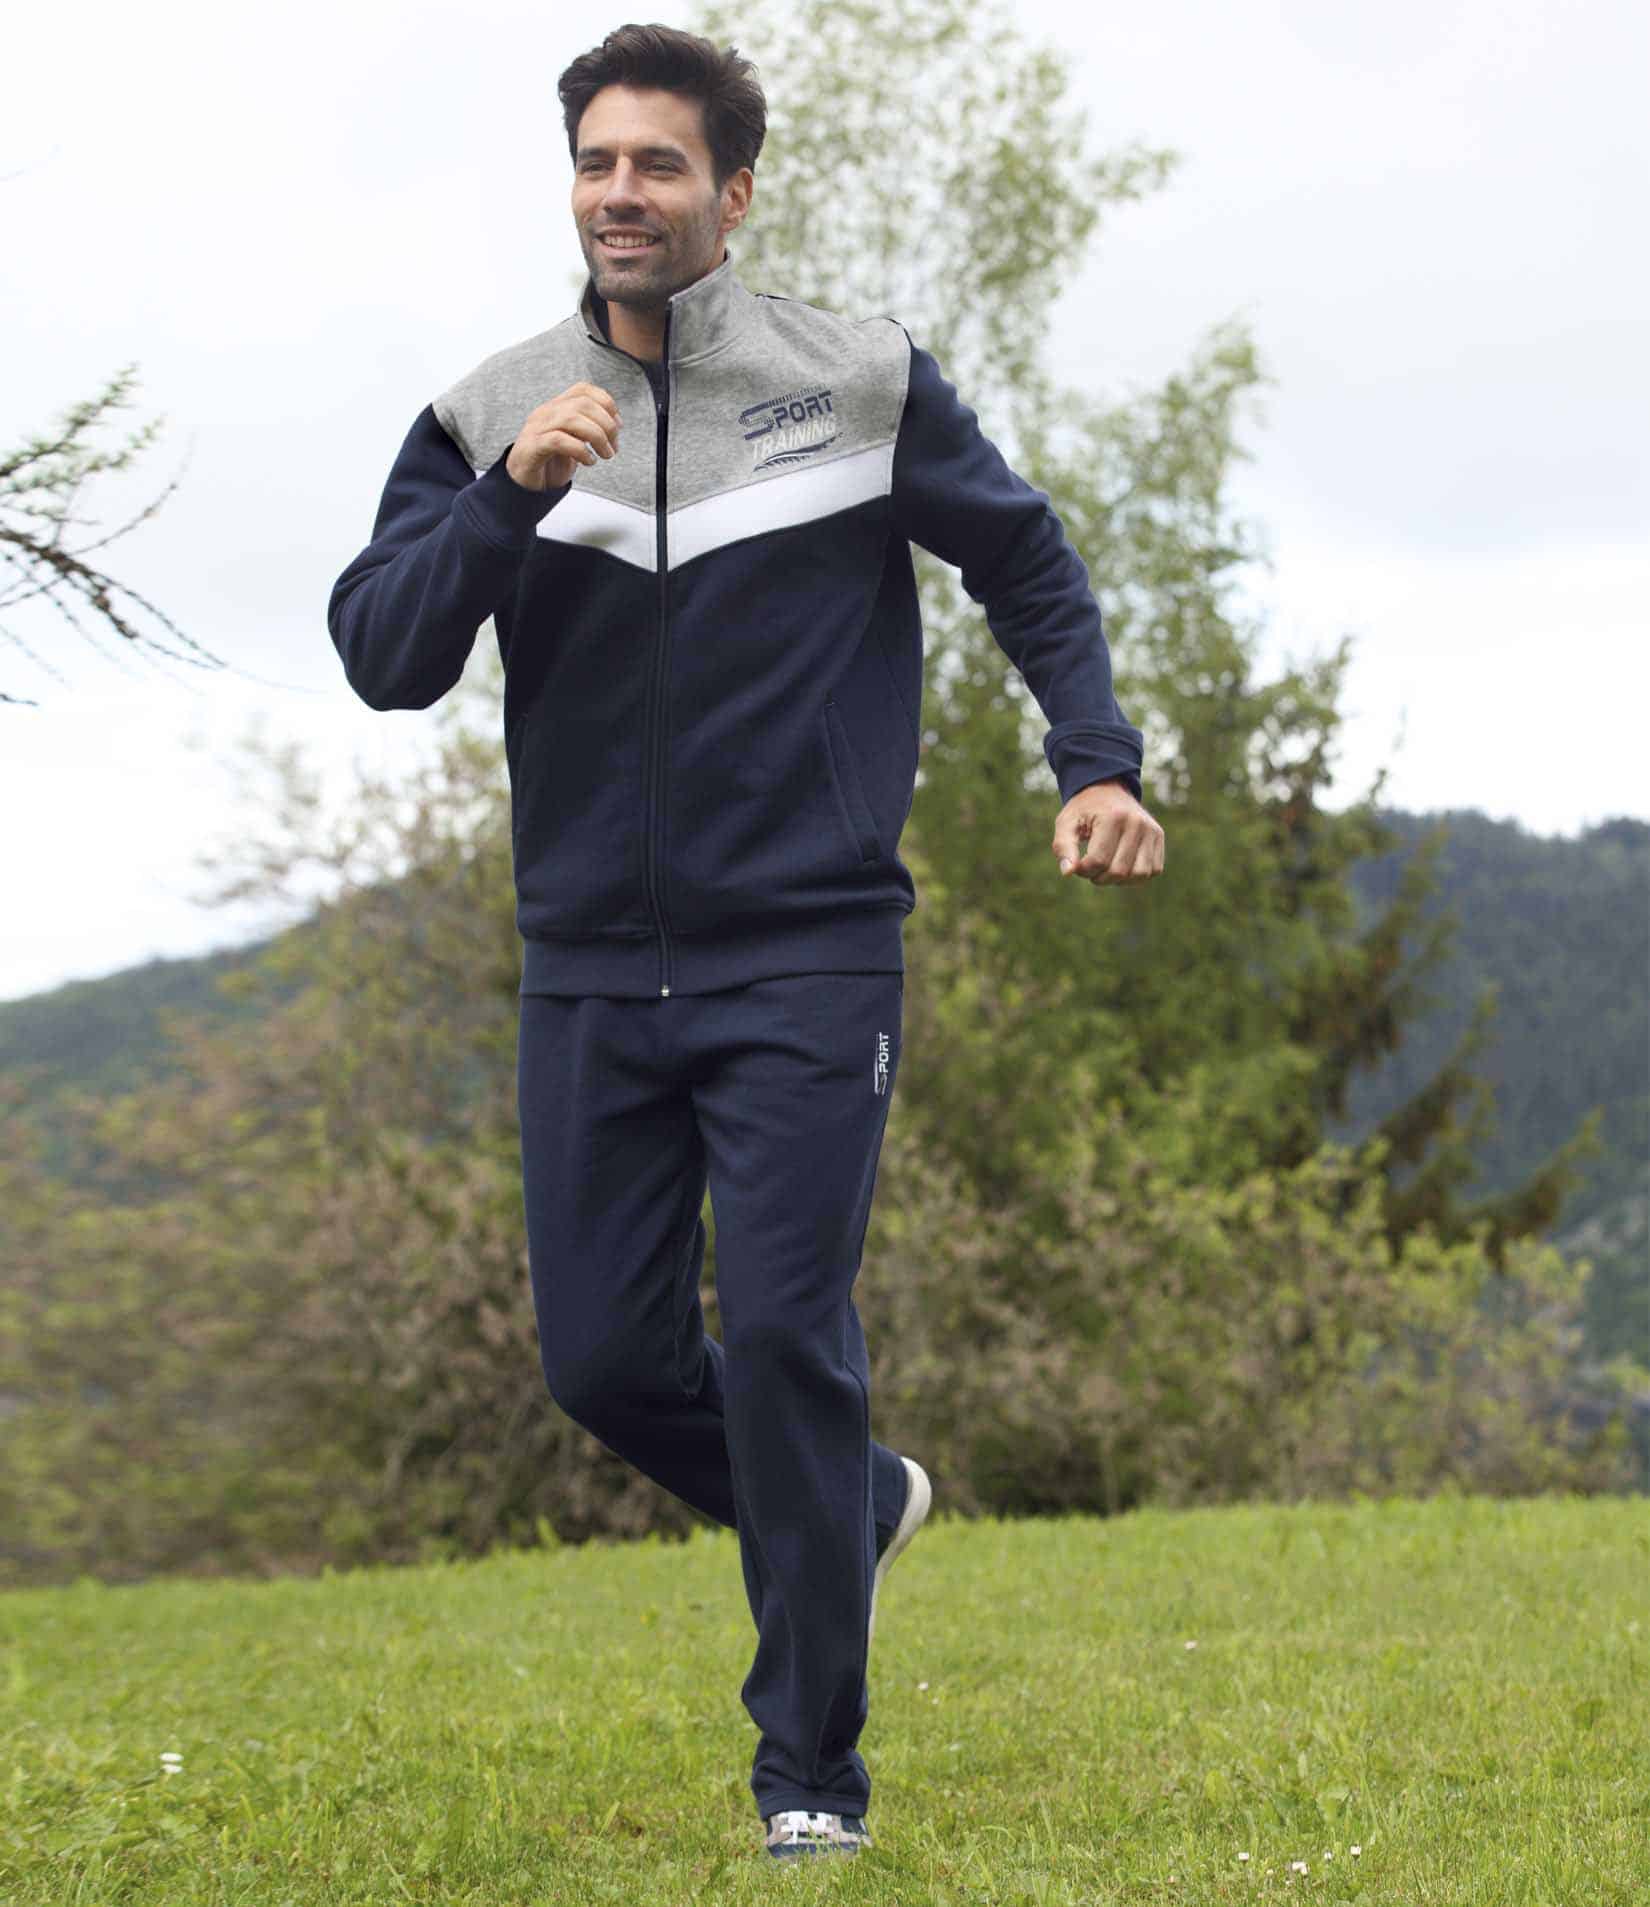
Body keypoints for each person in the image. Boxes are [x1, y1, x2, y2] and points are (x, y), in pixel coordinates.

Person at [326, 20, 1165, 1865]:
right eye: (596, 163)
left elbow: (1025, 561)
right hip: (585, 964)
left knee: (784, 1336)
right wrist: (509, 497)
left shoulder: (853, 382)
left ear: (733, 191)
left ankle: (809, 1776)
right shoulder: (489, 411)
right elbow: (383, 654)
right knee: (603, 1366)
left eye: (659, 164)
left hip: (806, 952)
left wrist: (1094, 760)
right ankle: (844, 1507)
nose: (621, 194)